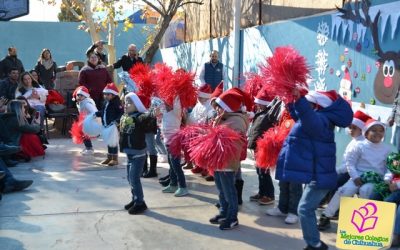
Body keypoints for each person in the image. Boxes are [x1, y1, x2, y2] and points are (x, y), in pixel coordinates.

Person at [269, 90, 352, 250]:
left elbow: (306, 115)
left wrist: (298, 97)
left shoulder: (320, 121)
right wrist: (289, 98)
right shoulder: (313, 121)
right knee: (306, 209)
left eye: (308, 103)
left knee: (304, 209)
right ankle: (313, 242)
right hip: (316, 174)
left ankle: (315, 244)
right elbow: (299, 114)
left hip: (320, 177)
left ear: (316, 106)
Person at [317, 118, 390, 233]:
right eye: (374, 130)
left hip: (375, 179)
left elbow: (389, 168)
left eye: (380, 131)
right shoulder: (359, 146)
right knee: (343, 191)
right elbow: (350, 163)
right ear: (366, 132)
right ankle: (326, 216)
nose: (377, 133)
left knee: (366, 191)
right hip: (358, 176)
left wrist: (387, 178)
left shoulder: (387, 149)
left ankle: (363, 224)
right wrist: (355, 177)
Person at [209, 88, 250, 230]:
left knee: (229, 190)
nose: (217, 110)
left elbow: (233, 140)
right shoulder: (224, 118)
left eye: (220, 107)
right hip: (219, 160)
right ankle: (224, 212)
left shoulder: (237, 121)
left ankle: (232, 217)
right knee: (221, 189)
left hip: (228, 161)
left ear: (228, 107)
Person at [319, 110, 370, 209]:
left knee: (336, 182)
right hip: (347, 170)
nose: (351, 130)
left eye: (354, 128)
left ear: (362, 130)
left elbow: (351, 164)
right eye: (350, 127)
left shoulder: (360, 143)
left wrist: (337, 170)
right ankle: (324, 201)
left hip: (353, 172)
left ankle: (335, 208)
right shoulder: (355, 141)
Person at [247, 86, 281, 205]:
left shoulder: (270, 114)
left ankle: (269, 195)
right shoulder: (260, 113)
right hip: (257, 146)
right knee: (259, 171)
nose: (257, 105)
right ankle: (262, 192)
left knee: (264, 172)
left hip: (263, 147)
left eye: (259, 103)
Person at [120, 92, 152, 214]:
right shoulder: (125, 116)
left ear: (137, 104)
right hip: (129, 154)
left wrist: (153, 112)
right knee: (130, 178)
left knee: (134, 179)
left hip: (138, 155)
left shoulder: (140, 117)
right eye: (125, 102)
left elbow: (147, 118)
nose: (126, 104)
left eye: (129, 102)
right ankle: (135, 199)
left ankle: (140, 203)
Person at [161, 97, 189, 197]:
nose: (165, 103)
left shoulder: (176, 111)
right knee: (171, 164)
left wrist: (175, 93)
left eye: (168, 101)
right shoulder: (165, 111)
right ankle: (173, 184)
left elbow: (177, 101)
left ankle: (183, 187)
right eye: (165, 102)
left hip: (174, 142)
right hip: (167, 141)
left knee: (176, 165)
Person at [186, 84, 214, 179]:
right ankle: (199, 166)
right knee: (196, 151)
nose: (199, 98)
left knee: (205, 152)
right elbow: (193, 116)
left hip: (204, 133)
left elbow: (209, 120)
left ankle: (206, 169)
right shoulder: (198, 104)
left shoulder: (210, 106)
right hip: (196, 132)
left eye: (201, 97)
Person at [95, 83, 123, 166]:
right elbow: (103, 112)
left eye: (108, 94)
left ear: (113, 94)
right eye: (105, 94)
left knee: (113, 142)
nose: (105, 96)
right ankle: (109, 157)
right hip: (106, 125)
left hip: (113, 125)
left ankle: (115, 158)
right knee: (108, 141)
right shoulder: (105, 103)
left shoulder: (117, 103)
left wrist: (116, 121)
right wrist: (96, 114)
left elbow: (121, 113)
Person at [72, 86, 98, 155]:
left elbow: (94, 112)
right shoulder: (81, 102)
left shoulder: (87, 103)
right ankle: (88, 147)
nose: (79, 97)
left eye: (81, 95)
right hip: (84, 121)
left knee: (85, 134)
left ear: (85, 96)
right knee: (83, 134)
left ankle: (89, 149)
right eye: (78, 95)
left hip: (89, 121)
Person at [142, 97, 159, 178]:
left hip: (149, 127)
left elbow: (153, 114)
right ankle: (144, 168)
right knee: (144, 148)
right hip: (143, 126)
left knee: (151, 148)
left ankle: (153, 170)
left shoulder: (154, 99)